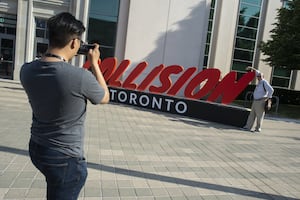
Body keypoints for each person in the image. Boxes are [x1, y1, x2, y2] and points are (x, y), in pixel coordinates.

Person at [20, 12, 109, 199]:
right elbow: (104, 97)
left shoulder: (26, 70)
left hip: (38, 147)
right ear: (75, 43)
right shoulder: (80, 77)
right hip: (65, 158)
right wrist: (94, 63)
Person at [242, 66, 274, 132]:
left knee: (259, 115)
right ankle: (248, 127)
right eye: (258, 76)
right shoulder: (259, 82)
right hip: (255, 100)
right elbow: (257, 72)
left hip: (261, 101)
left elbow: (271, 90)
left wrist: (268, 97)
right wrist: (251, 68)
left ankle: (258, 128)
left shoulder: (264, 82)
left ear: (263, 77)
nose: (258, 77)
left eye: (260, 76)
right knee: (252, 114)